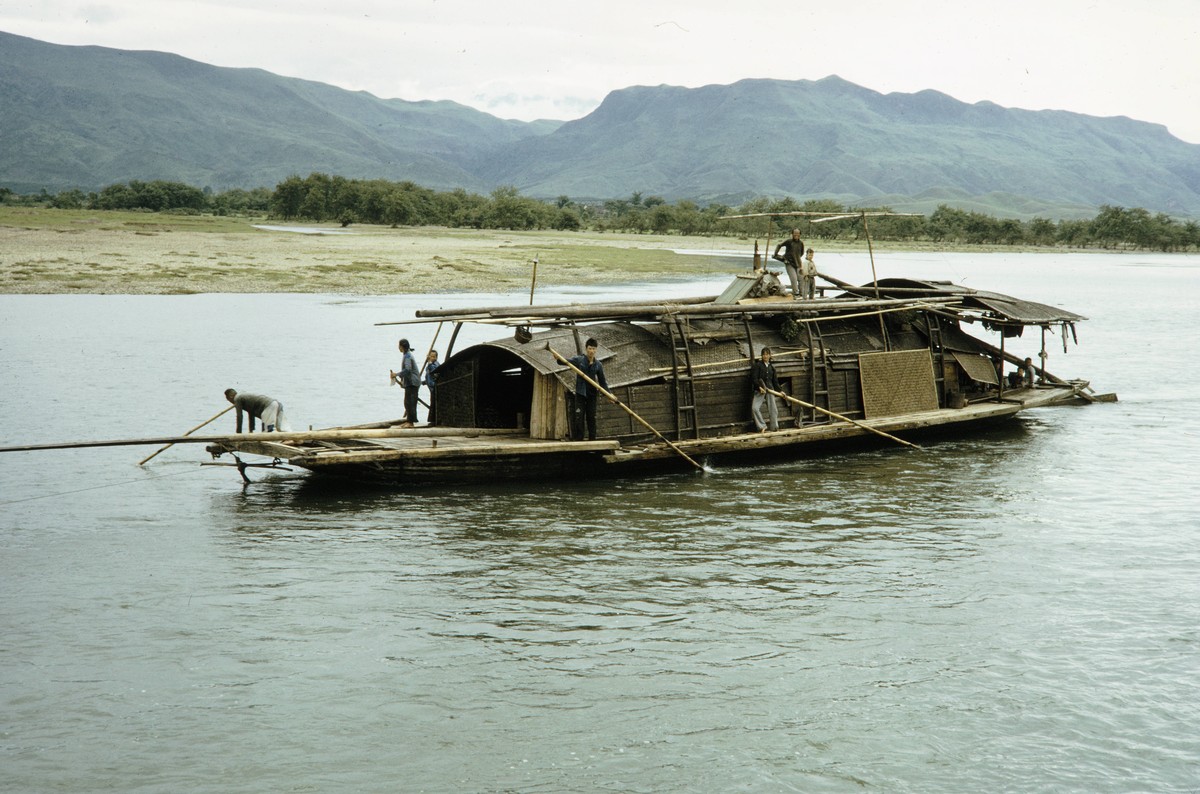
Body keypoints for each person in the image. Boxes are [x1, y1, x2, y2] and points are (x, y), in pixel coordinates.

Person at [566, 338, 609, 441]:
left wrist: (609, 394)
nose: (591, 351)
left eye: (594, 349)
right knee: (578, 417)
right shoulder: (579, 360)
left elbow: (602, 382)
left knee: (591, 417)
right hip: (580, 394)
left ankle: (592, 440)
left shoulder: (598, 365)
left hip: (592, 395)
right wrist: (557, 358)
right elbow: (566, 362)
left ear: (596, 350)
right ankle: (579, 440)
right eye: (590, 348)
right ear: (586, 349)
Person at [224, 388, 291, 433]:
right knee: (280, 429)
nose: (230, 402)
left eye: (228, 400)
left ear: (230, 397)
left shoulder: (237, 398)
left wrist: (238, 434)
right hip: (277, 404)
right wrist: (251, 430)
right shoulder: (244, 397)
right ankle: (292, 441)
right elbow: (251, 413)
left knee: (267, 431)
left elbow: (239, 416)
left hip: (269, 406)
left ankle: (281, 442)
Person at [390, 338, 421, 427]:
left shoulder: (407, 356)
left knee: (410, 402)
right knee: (407, 402)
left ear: (402, 347)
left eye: (399, 346)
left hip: (413, 382)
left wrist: (396, 374)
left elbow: (407, 369)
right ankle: (409, 420)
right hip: (410, 382)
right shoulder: (406, 354)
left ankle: (411, 422)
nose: (398, 347)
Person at [750, 347, 780, 432]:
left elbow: (775, 382)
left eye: (767, 354)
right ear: (762, 356)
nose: (765, 356)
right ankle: (762, 426)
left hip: (770, 390)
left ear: (770, 355)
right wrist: (759, 387)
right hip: (760, 390)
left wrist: (780, 391)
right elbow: (754, 378)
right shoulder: (758, 366)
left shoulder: (772, 368)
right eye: (763, 354)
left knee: (773, 409)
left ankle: (774, 427)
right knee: (755, 408)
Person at [772, 229, 806, 299]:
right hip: (789, 263)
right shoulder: (789, 241)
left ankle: (801, 294)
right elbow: (779, 245)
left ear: (800, 235)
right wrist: (775, 254)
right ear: (792, 234)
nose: (796, 235)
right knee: (794, 278)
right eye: (795, 234)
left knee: (801, 279)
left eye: (798, 234)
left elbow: (801, 253)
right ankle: (796, 294)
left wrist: (796, 258)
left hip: (798, 263)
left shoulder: (801, 243)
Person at [422, 349, 440, 424]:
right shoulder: (430, 365)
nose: (432, 358)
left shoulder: (435, 365)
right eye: (431, 356)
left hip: (435, 387)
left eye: (433, 356)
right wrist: (424, 382)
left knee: (433, 403)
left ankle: (433, 420)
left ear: (436, 357)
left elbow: (433, 372)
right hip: (431, 387)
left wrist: (429, 362)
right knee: (432, 402)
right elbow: (429, 376)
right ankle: (433, 420)